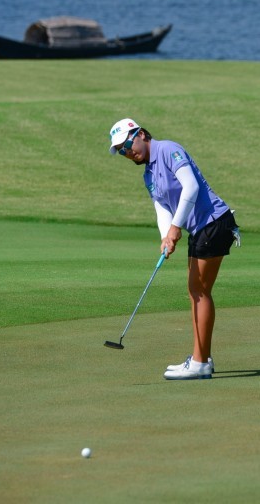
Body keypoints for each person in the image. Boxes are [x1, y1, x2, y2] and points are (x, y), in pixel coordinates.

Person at [108, 118, 240, 380]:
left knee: (199, 292)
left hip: (214, 222)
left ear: (141, 134)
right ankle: (201, 359)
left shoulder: (167, 149)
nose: (126, 152)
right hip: (202, 228)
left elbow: (190, 187)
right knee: (196, 292)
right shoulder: (148, 174)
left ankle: (200, 362)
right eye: (121, 151)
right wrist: (165, 236)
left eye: (127, 145)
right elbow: (162, 209)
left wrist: (176, 228)